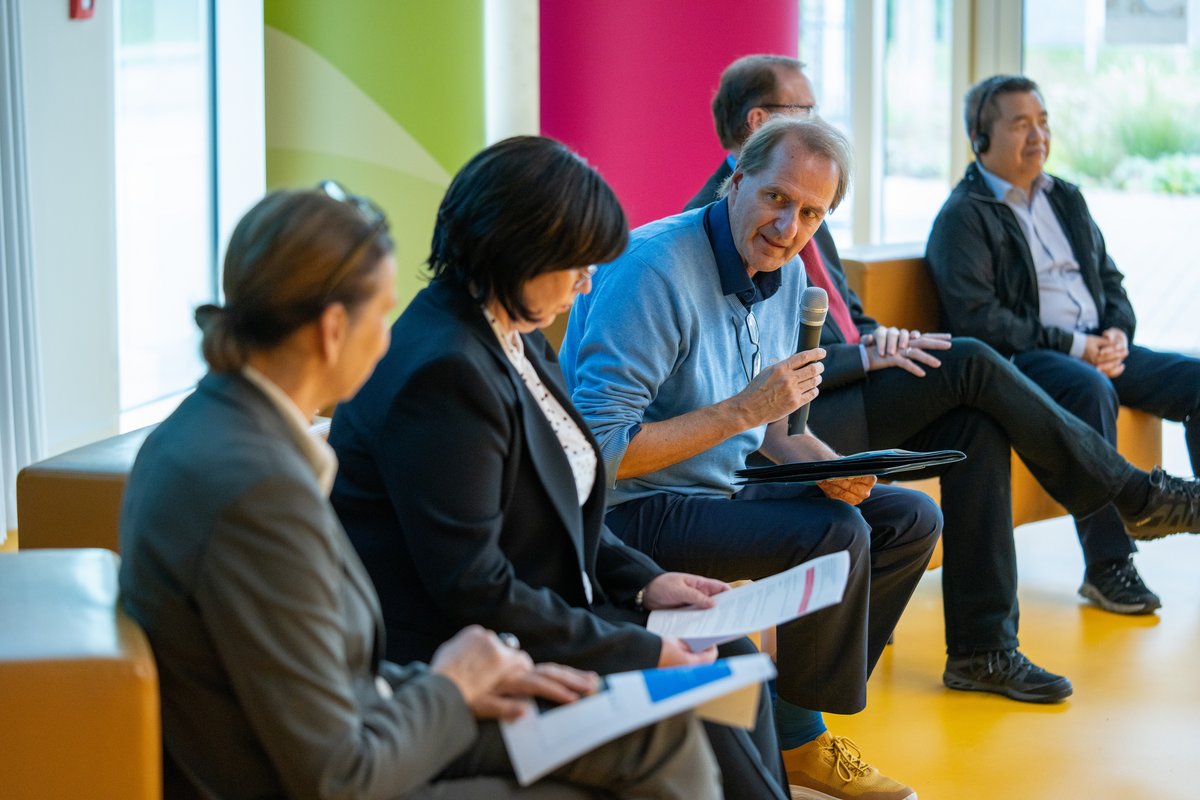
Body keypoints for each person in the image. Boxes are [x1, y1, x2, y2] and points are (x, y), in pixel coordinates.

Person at [118, 185, 721, 800]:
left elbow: (309, 673)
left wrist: (452, 680)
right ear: (332, 330)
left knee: (653, 730)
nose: (388, 337)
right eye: (380, 313)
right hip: (339, 770)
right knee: (658, 739)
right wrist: (451, 688)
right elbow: (340, 774)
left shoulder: (206, 428)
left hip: (369, 718)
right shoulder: (258, 492)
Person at [683, 55, 1200, 696]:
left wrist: (879, 339)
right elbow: (759, 368)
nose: (819, 122)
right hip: (788, 428)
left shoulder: (799, 195)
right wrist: (865, 357)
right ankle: (1133, 496)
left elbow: (841, 313)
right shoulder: (731, 216)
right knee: (973, 360)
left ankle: (982, 649)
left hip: (847, 387)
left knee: (971, 423)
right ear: (759, 121)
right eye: (805, 110)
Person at [327, 138, 788, 799]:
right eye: (575, 264)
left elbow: (563, 503)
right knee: (699, 688)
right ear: (517, 249)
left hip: (547, 607)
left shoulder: (506, 331)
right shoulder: (444, 372)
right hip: (461, 646)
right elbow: (474, 587)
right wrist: (638, 650)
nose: (586, 282)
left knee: (735, 653)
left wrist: (646, 584)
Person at [561, 115, 942, 800]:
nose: (789, 226)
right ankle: (801, 736)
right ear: (736, 181)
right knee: (832, 536)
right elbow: (598, 454)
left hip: (718, 487)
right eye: (776, 198)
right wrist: (743, 411)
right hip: (626, 512)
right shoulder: (653, 270)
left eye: (811, 213)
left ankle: (796, 717)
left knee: (905, 518)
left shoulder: (789, 273)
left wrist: (831, 466)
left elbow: (777, 427)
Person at [926, 75, 1200, 604]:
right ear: (980, 138)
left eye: (1044, 122)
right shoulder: (963, 217)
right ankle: (1108, 565)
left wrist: (1118, 330)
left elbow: (1110, 280)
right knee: (1089, 390)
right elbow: (979, 321)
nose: (1039, 136)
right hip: (1022, 359)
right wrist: (1078, 348)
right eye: (1021, 124)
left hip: (1098, 346)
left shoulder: (1066, 198)